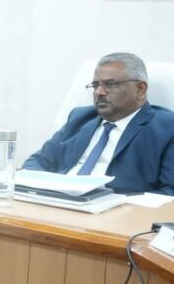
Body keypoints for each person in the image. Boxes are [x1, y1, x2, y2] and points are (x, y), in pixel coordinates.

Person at [23, 52, 174, 195]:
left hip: (118, 208)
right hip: (60, 202)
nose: (99, 92)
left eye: (110, 84)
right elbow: (37, 162)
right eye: (95, 85)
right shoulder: (79, 118)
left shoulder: (166, 128)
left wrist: (117, 205)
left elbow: (170, 192)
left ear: (140, 89)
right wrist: (49, 190)